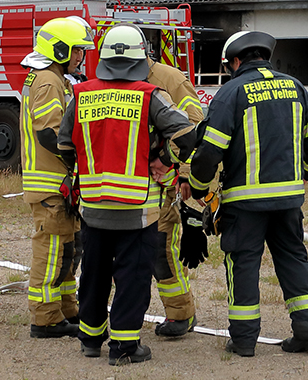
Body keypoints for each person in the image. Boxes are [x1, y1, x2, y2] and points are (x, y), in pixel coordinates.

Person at [58, 25, 198, 366]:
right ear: (140, 59)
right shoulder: (150, 95)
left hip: (93, 206)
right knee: (132, 277)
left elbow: (64, 146)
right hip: (137, 210)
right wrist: (164, 159)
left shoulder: (81, 94)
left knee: (93, 273)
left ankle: (90, 339)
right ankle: (124, 346)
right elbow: (189, 134)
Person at [187, 31, 308, 358]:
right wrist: (304, 173)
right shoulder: (296, 87)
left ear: (236, 61)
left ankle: (244, 340)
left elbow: (210, 151)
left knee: (243, 264)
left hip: (245, 203)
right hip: (289, 199)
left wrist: (198, 187)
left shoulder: (231, 92)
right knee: (293, 258)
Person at [19, 16, 94, 339]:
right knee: (51, 252)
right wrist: (82, 154)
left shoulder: (51, 77)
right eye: (76, 50)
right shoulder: (49, 81)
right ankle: (45, 318)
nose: (80, 56)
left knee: (67, 250)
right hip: (49, 182)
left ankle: (66, 309)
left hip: (57, 182)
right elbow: (50, 133)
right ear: (59, 49)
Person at [144, 36, 206, 338]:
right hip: (126, 186)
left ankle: (180, 313)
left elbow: (194, 126)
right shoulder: (116, 79)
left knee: (161, 249)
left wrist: (182, 172)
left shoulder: (171, 79)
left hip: (162, 184)